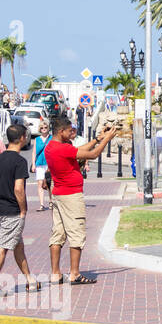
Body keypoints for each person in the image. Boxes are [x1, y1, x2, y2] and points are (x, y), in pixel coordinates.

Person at [45, 116, 117, 286]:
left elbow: (78, 150)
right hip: (71, 196)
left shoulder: (51, 147)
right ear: (61, 131)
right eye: (70, 131)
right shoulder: (62, 149)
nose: (72, 134)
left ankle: (55, 274)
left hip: (58, 194)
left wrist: (96, 139)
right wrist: (107, 139)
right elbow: (92, 154)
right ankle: (75, 274)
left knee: (58, 234)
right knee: (76, 234)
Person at [0, 123, 39, 296]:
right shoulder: (19, 161)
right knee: (3, 246)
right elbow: (19, 188)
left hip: (0, 207)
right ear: (23, 138)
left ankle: (30, 280)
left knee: (18, 245)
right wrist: (23, 209)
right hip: (12, 210)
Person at [33, 119, 52, 211]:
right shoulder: (37, 139)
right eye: (42, 128)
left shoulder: (51, 138)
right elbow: (34, 153)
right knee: (40, 183)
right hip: (39, 164)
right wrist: (33, 164)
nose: (44, 129)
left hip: (49, 163)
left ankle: (51, 202)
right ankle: (41, 204)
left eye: (45, 127)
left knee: (49, 183)